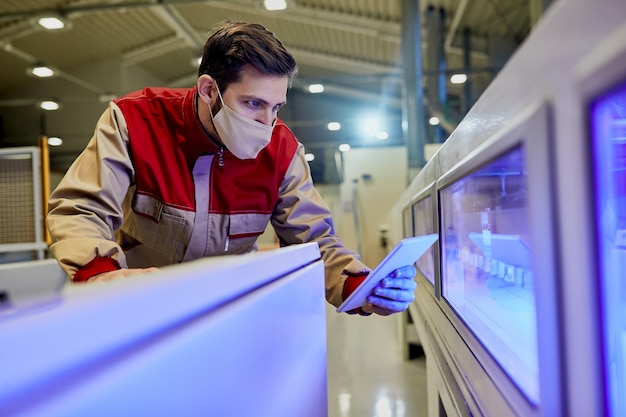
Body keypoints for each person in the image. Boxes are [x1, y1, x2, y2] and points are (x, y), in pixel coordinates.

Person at [46, 21, 416, 316]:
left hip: (228, 316)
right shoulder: (134, 121)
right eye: (253, 103)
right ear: (209, 89)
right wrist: (98, 274)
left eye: (276, 107)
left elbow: (314, 242)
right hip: (140, 311)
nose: (266, 123)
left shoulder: (282, 151)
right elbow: (81, 208)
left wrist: (362, 288)